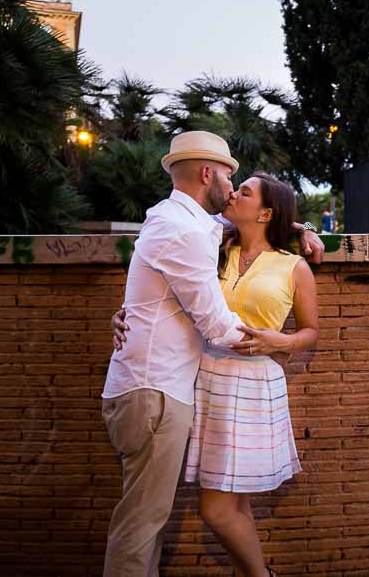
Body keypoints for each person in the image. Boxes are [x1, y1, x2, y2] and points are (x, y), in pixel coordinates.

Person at [101, 130, 323, 577]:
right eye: (230, 178)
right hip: (168, 387)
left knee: (170, 514)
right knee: (150, 520)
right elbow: (216, 324)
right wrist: (270, 343)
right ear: (208, 173)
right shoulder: (192, 232)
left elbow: (256, 230)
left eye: (243, 189)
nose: (231, 188)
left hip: (186, 387)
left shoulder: (191, 224)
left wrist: (303, 228)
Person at [185, 172, 317, 577]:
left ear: (265, 213)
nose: (233, 193)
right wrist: (304, 226)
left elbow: (312, 332)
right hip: (206, 378)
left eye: (245, 192)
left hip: (256, 387)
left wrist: (279, 341)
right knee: (232, 503)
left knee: (219, 508)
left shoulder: (294, 267)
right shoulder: (213, 247)